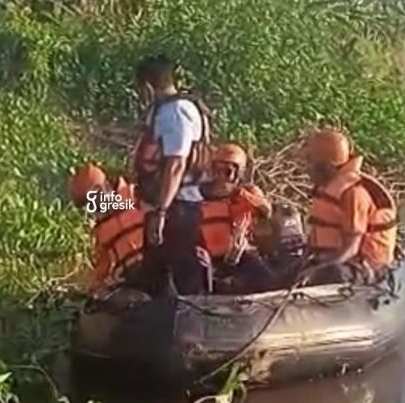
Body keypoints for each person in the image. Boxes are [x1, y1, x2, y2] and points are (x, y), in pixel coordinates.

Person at [129, 54, 212, 296]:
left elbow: (176, 164)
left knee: (182, 273)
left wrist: (162, 212)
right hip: (162, 206)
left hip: (178, 208)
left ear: (147, 86)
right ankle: (156, 327)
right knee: (156, 274)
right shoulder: (164, 110)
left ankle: (193, 327)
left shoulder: (175, 112)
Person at [298, 125, 398, 286]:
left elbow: (351, 249)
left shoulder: (353, 194)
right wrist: (306, 262)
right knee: (288, 270)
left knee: (332, 273)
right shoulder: (326, 187)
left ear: (327, 167)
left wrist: (317, 270)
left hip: (362, 265)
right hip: (331, 258)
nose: (307, 169)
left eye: (311, 163)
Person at [199, 143, 275, 293]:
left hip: (242, 255)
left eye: (227, 171)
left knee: (269, 282)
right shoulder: (199, 194)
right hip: (208, 260)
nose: (220, 176)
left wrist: (243, 195)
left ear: (238, 173)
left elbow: (266, 211)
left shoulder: (247, 193)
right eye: (217, 170)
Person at [68, 163, 145, 293]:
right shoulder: (101, 230)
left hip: (159, 261)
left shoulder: (136, 195)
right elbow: (102, 269)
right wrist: (94, 289)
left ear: (103, 188)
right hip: (133, 279)